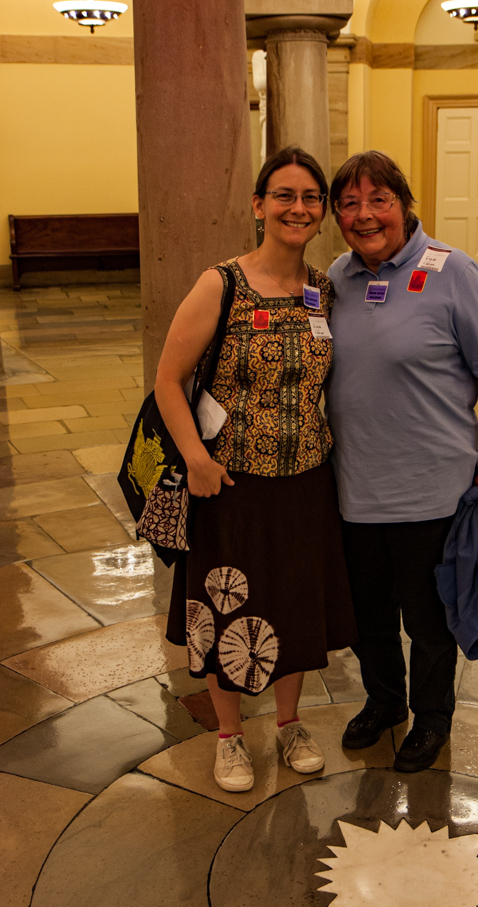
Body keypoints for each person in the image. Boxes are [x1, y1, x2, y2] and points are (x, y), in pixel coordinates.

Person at [155, 146, 357, 793]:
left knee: (294, 606)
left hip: (305, 481)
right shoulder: (223, 284)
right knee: (228, 608)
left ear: (320, 211)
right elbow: (168, 379)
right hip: (232, 486)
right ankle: (230, 736)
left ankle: (290, 723)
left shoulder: (321, 290)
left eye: (309, 198)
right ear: (259, 205)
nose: (298, 208)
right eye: (284, 195)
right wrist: (196, 459)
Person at [325, 150, 478, 773]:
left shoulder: (453, 271)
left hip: (431, 490)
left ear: (404, 205)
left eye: (379, 200)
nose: (365, 215)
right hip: (354, 487)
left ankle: (432, 716)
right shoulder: (337, 278)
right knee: (367, 614)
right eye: (349, 203)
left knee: (431, 619)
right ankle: (385, 701)